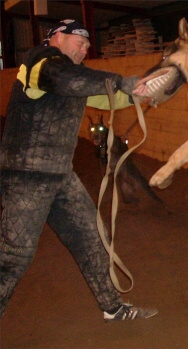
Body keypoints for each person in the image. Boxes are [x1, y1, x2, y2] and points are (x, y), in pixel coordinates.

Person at [0, 19, 157, 321]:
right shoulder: (40, 61)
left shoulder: (78, 77)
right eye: (79, 42)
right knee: (14, 257)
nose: (85, 48)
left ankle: (112, 307)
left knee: (93, 237)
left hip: (60, 174)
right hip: (26, 176)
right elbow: (67, 80)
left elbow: (109, 95)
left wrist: (144, 90)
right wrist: (118, 80)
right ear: (56, 37)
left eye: (87, 45)